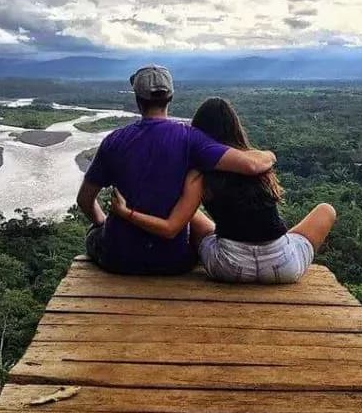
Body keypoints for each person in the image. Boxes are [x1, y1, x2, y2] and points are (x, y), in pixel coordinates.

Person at [110, 96, 336, 283]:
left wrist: (126, 212)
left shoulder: (199, 173)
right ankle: (281, 245)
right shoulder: (255, 161)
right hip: (282, 266)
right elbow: (267, 156)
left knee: (190, 214)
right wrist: (268, 155)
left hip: (229, 267)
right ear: (235, 127)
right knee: (326, 210)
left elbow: (171, 228)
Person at [76, 66, 277, 275]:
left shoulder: (114, 141)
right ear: (170, 97)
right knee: (191, 218)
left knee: (95, 233)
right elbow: (251, 165)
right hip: (172, 262)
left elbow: (85, 200)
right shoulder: (191, 139)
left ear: (137, 100)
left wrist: (103, 223)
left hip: (117, 258)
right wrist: (270, 154)